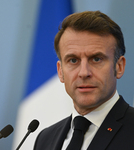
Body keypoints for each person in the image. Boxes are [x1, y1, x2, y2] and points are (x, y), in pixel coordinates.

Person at [33, 10, 134, 150]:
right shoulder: (45, 139)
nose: (84, 72)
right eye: (73, 60)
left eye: (96, 59)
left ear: (119, 66)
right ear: (60, 71)